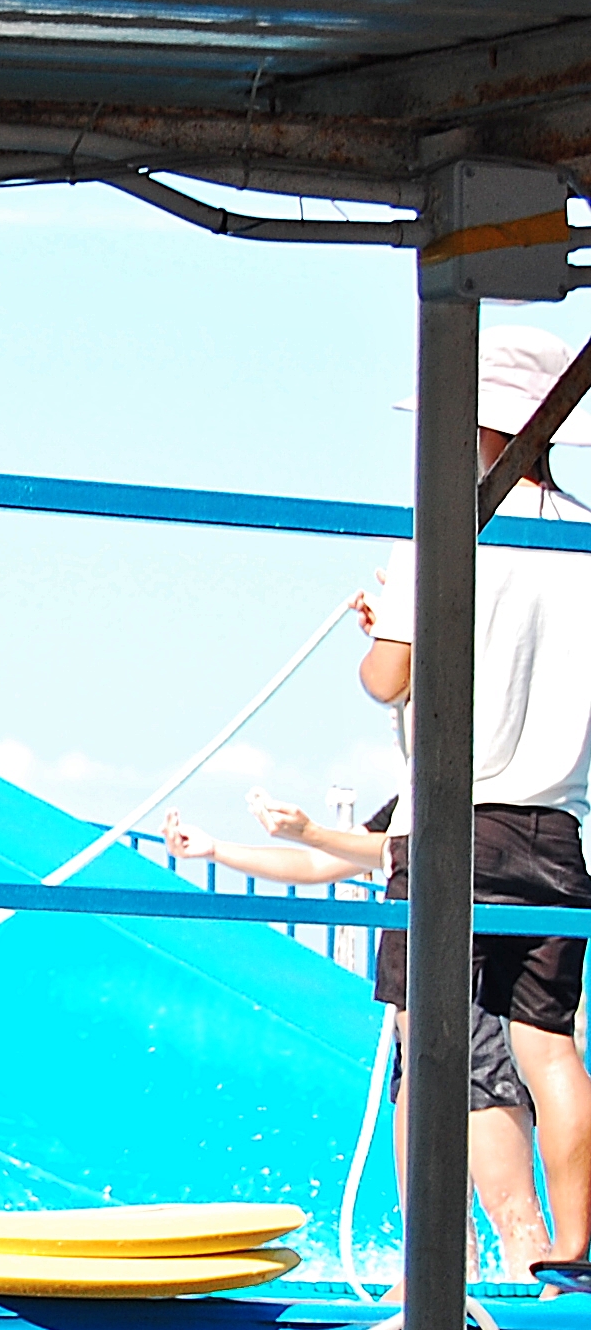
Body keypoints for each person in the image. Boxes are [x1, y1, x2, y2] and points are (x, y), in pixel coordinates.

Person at [358, 324, 591, 1271]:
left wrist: (383, 630)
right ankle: (574, 1250)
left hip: (452, 824)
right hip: (557, 828)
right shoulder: (586, 539)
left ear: (482, 427)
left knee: (429, 1049)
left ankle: (432, 1260)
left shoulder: (448, 532)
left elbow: (387, 680)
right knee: (550, 1048)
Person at [164, 794, 548, 1276]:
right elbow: (321, 863)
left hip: (469, 985)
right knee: (438, 1225)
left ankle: (534, 1289)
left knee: (511, 1204)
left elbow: (360, 851)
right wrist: (215, 850)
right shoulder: (413, 797)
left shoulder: (475, 794)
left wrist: (310, 832)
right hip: (417, 1007)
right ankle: (450, 1287)